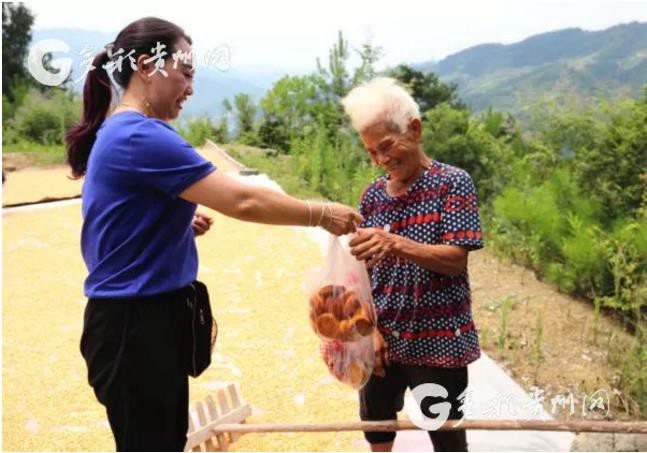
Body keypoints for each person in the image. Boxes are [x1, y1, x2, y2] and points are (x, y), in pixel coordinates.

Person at [67, 17, 362, 452]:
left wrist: (174, 227)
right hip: (137, 327)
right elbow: (243, 200)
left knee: (156, 439)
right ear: (148, 66)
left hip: (134, 322)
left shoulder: (123, 130)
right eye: (186, 74)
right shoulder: (140, 135)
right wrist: (320, 213)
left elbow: (117, 221)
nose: (190, 88)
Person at [342, 78, 484, 452]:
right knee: (377, 429)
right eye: (372, 152)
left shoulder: (452, 184)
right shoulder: (372, 196)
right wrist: (369, 332)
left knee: (446, 437)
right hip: (384, 343)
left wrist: (395, 243)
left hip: (439, 344)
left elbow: (455, 260)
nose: (381, 159)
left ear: (415, 129)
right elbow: (363, 274)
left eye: (386, 146)